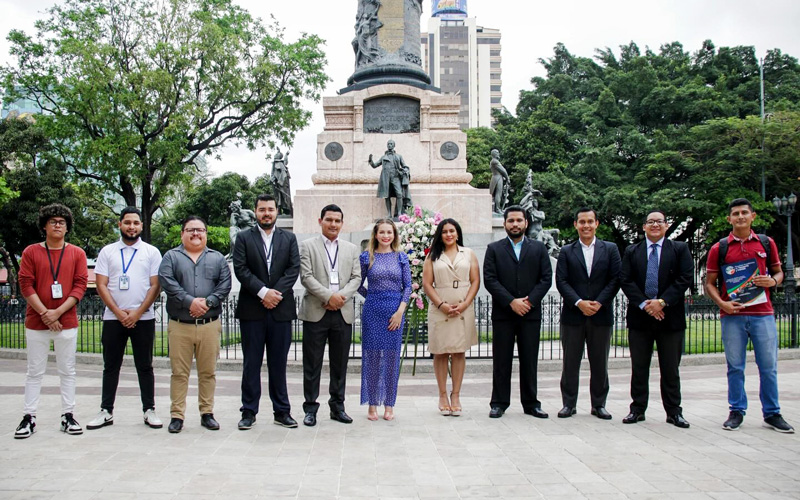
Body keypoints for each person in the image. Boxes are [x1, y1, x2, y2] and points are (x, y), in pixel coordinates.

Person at [705, 198, 793, 433]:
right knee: (735, 366)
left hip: (762, 313)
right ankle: (736, 411)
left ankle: (772, 413)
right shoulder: (719, 247)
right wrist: (723, 303)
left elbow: (779, 272)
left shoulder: (766, 243)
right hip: (732, 314)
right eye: (736, 213)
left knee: (768, 366)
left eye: (745, 212)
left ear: (752, 216)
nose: (740, 216)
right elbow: (710, 283)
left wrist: (773, 281)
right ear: (729, 219)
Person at [14, 204, 88, 439]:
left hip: (66, 321)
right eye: (53, 221)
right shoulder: (31, 252)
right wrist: (46, 313)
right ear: (44, 226)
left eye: (62, 222)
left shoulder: (77, 253)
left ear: (67, 228)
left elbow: (79, 286)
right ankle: (29, 417)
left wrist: (57, 313)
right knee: (34, 371)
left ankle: (68, 414)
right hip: (37, 321)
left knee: (68, 371)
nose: (58, 225)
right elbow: (26, 284)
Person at [88, 207, 163, 431]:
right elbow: (101, 284)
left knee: (145, 366)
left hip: (144, 317)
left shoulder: (151, 252)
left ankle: (149, 410)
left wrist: (137, 313)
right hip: (113, 318)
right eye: (127, 222)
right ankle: (106, 410)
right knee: (111, 365)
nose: (132, 227)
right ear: (120, 224)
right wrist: (119, 313)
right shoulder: (108, 252)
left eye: (136, 223)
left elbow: (155, 285)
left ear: (141, 226)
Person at [620, 210, 693, 428]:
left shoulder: (679, 249)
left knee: (670, 368)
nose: (654, 225)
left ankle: (673, 411)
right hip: (640, 318)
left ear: (666, 225)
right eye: (650, 222)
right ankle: (637, 409)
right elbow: (626, 280)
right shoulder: (632, 251)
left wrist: (661, 302)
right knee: (639, 367)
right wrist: (646, 304)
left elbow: (685, 278)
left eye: (659, 222)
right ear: (643, 226)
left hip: (670, 319)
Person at [233, 194, 300, 430]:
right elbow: (241, 269)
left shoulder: (289, 238)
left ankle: (282, 411)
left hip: (280, 309)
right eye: (262, 210)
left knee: (278, 363)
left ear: (276, 211)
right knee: (251, 363)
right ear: (255, 212)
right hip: (253, 309)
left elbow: (293, 269)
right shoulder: (243, 238)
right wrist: (263, 292)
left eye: (270, 209)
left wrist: (275, 294)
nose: (266, 214)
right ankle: (248, 411)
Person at [158, 216, 231, 433]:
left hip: (209, 324)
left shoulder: (218, 258)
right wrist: (190, 302)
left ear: (206, 233)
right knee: (179, 373)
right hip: (180, 325)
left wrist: (207, 303)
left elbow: (224, 285)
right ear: (182, 233)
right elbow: (167, 282)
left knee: (208, 372)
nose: (196, 234)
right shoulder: (171, 257)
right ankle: (177, 415)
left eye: (200, 230)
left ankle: (207, 412)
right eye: (191, 230)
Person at [483, 206, 552, 419]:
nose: (515, 224)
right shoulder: (494, 248)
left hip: (530, 314)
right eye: (511, 220)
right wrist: (511, 301)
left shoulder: (539, 248)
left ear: (526, 223)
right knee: (501, 360)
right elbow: (490, 279)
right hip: (504, 313)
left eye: (518, 220)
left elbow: (546, 278)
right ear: (504, 224)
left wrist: (529, 301)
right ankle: (499, 403)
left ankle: (531, 403)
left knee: (529, 360)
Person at [555, 207, 621, 420]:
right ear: (575, 224)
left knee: (600, 362)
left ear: (596, 224)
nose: (586, 226)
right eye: (582, 222)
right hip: (573, 316)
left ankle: (599, 404)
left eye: (590, 221)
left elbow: (615, 279)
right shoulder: (566, 251)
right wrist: (579, 302)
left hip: (600, 315)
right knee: (570, 362)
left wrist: (599, 303)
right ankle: (569, 404)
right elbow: (562, 281)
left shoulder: (610, 249)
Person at [299, 204, 362, 426]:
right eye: (329, 220)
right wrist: (328, 297)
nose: (333, 224)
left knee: (339, 364)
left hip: (342, 312)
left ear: (342, 224)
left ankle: (338, 407)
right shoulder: (307, 246)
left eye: (337, 220)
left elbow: (356, 278)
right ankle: (310, 409)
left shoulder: (351, 249)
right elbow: (306, 276)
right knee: (312, 363)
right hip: (316, 311)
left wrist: (340, 298)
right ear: (320, 221)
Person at [422, 218, 480, 417]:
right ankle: (442, 394)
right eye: (445, 231)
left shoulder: (468, 254)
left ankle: (456, 395)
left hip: (462, 306)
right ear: (440, 234)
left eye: (452, 231)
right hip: (440, 307)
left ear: (458, 233)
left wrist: (464, 304)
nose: (448, 234)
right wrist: (441, 305)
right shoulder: (432, 256)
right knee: (440, 352)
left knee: (458, 352)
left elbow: (475, 281)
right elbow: (427, 284)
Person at [358, 219, 412, 421]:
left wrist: (400, 311)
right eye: (382, 232)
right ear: (376, 234)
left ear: (394, 235)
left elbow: (408, 286)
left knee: (391, 359)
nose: (386, 236)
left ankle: (389, 404)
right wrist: (371, 297)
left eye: (389, 232)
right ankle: (372, 404)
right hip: (373, 312)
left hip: (395, 312)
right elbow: (357, 283)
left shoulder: (401, 257)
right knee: (372, 358)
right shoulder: (367, 257)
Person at [368, 140, 410, 218]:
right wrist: (370, 161)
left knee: (399, 194)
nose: (389, 145)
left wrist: (406, 171)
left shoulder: (399, 156)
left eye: (391, 144)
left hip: (396, 177)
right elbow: (375, 165)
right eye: (388, 144)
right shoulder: (383, 157)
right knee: (387, 196)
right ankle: (389, 214)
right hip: (386, 179)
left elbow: (405, 166)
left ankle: (399, 213)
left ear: (394, 145)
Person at [489, 149, 509, 214]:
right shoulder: (495, 161)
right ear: (494, 154)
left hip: (496, 177)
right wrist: (507, 178)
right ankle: (497, 209)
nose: (498, 154)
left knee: (497, 195)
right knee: (498, 194)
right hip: (497, 178)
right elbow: (503, 170)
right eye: (497, 153)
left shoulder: (494, 161)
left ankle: (497, 209)